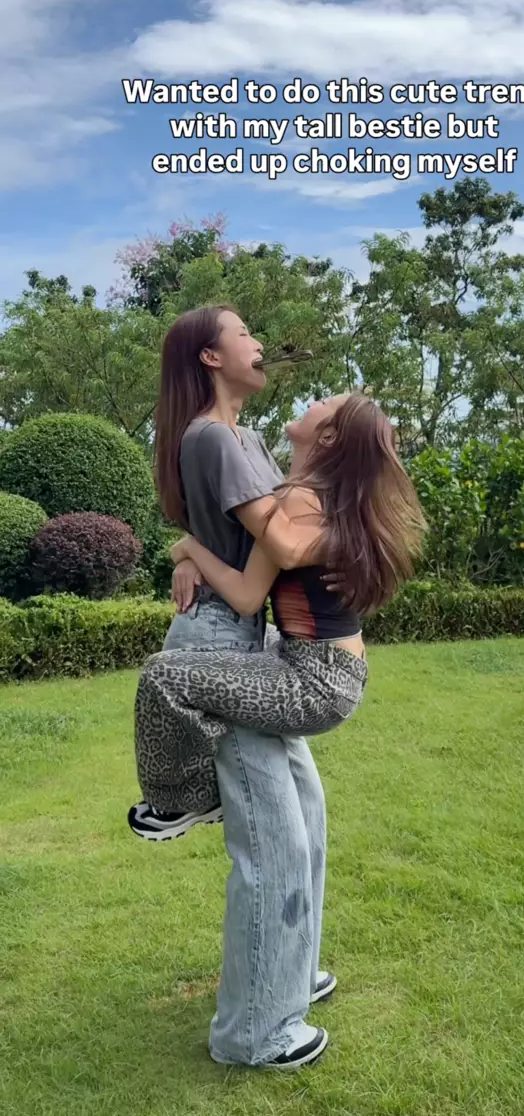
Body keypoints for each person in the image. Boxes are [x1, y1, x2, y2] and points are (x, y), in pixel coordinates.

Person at [130, 387, 425, 1070]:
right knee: (298, 818)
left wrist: (187, 546)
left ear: (329, 437)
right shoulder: (309, 495)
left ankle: (179, 799)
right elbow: (245, 584)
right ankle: (297, 970)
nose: (315, 398)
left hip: (313, 679)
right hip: (307, 664)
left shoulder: (303, 501)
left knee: (164, 677)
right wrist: (191, 555)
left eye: (328, 402)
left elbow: (263, 570)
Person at [139, 305, 341, 1071]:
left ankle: (289, 971)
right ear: (211, 357)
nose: (259, 342)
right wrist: (190, 550)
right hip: (220, 643)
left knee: (305, 818)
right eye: (245, 331)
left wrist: (187, 550)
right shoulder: (212, 438)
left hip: (243, 640)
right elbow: (282, 545)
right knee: (272, 842)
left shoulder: (241, 438)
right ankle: (254, 1033)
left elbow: (245, 538)